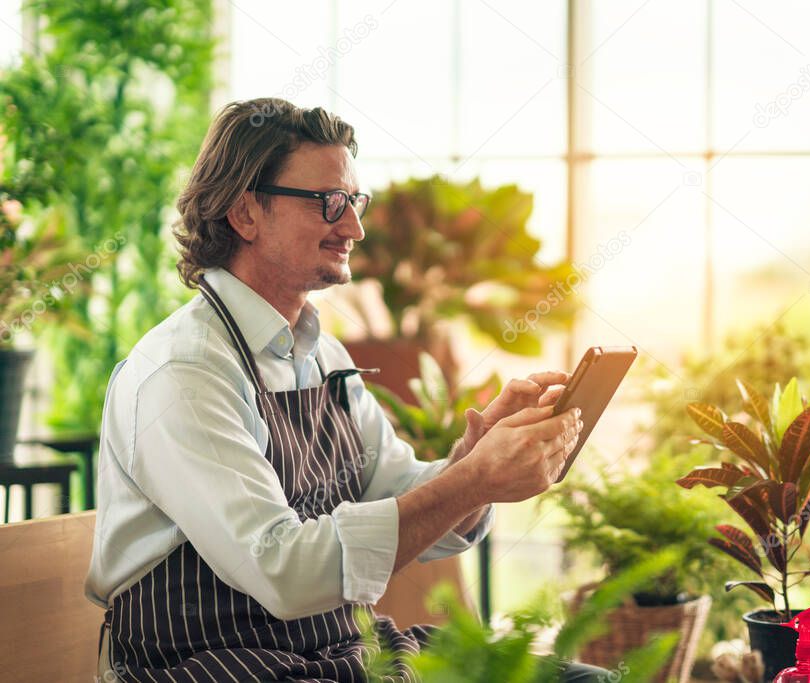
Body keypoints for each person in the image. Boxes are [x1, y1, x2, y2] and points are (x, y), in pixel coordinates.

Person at [85, 97, 607, 682]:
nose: (354, 227)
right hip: (211, 667)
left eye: (354, 201)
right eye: (329, 203)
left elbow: (399, 491)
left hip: (338, 657)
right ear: (245, 212)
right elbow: (284, 571)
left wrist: (473, 459)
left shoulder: (322, 355)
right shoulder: (183, 373)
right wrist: (473, 480)